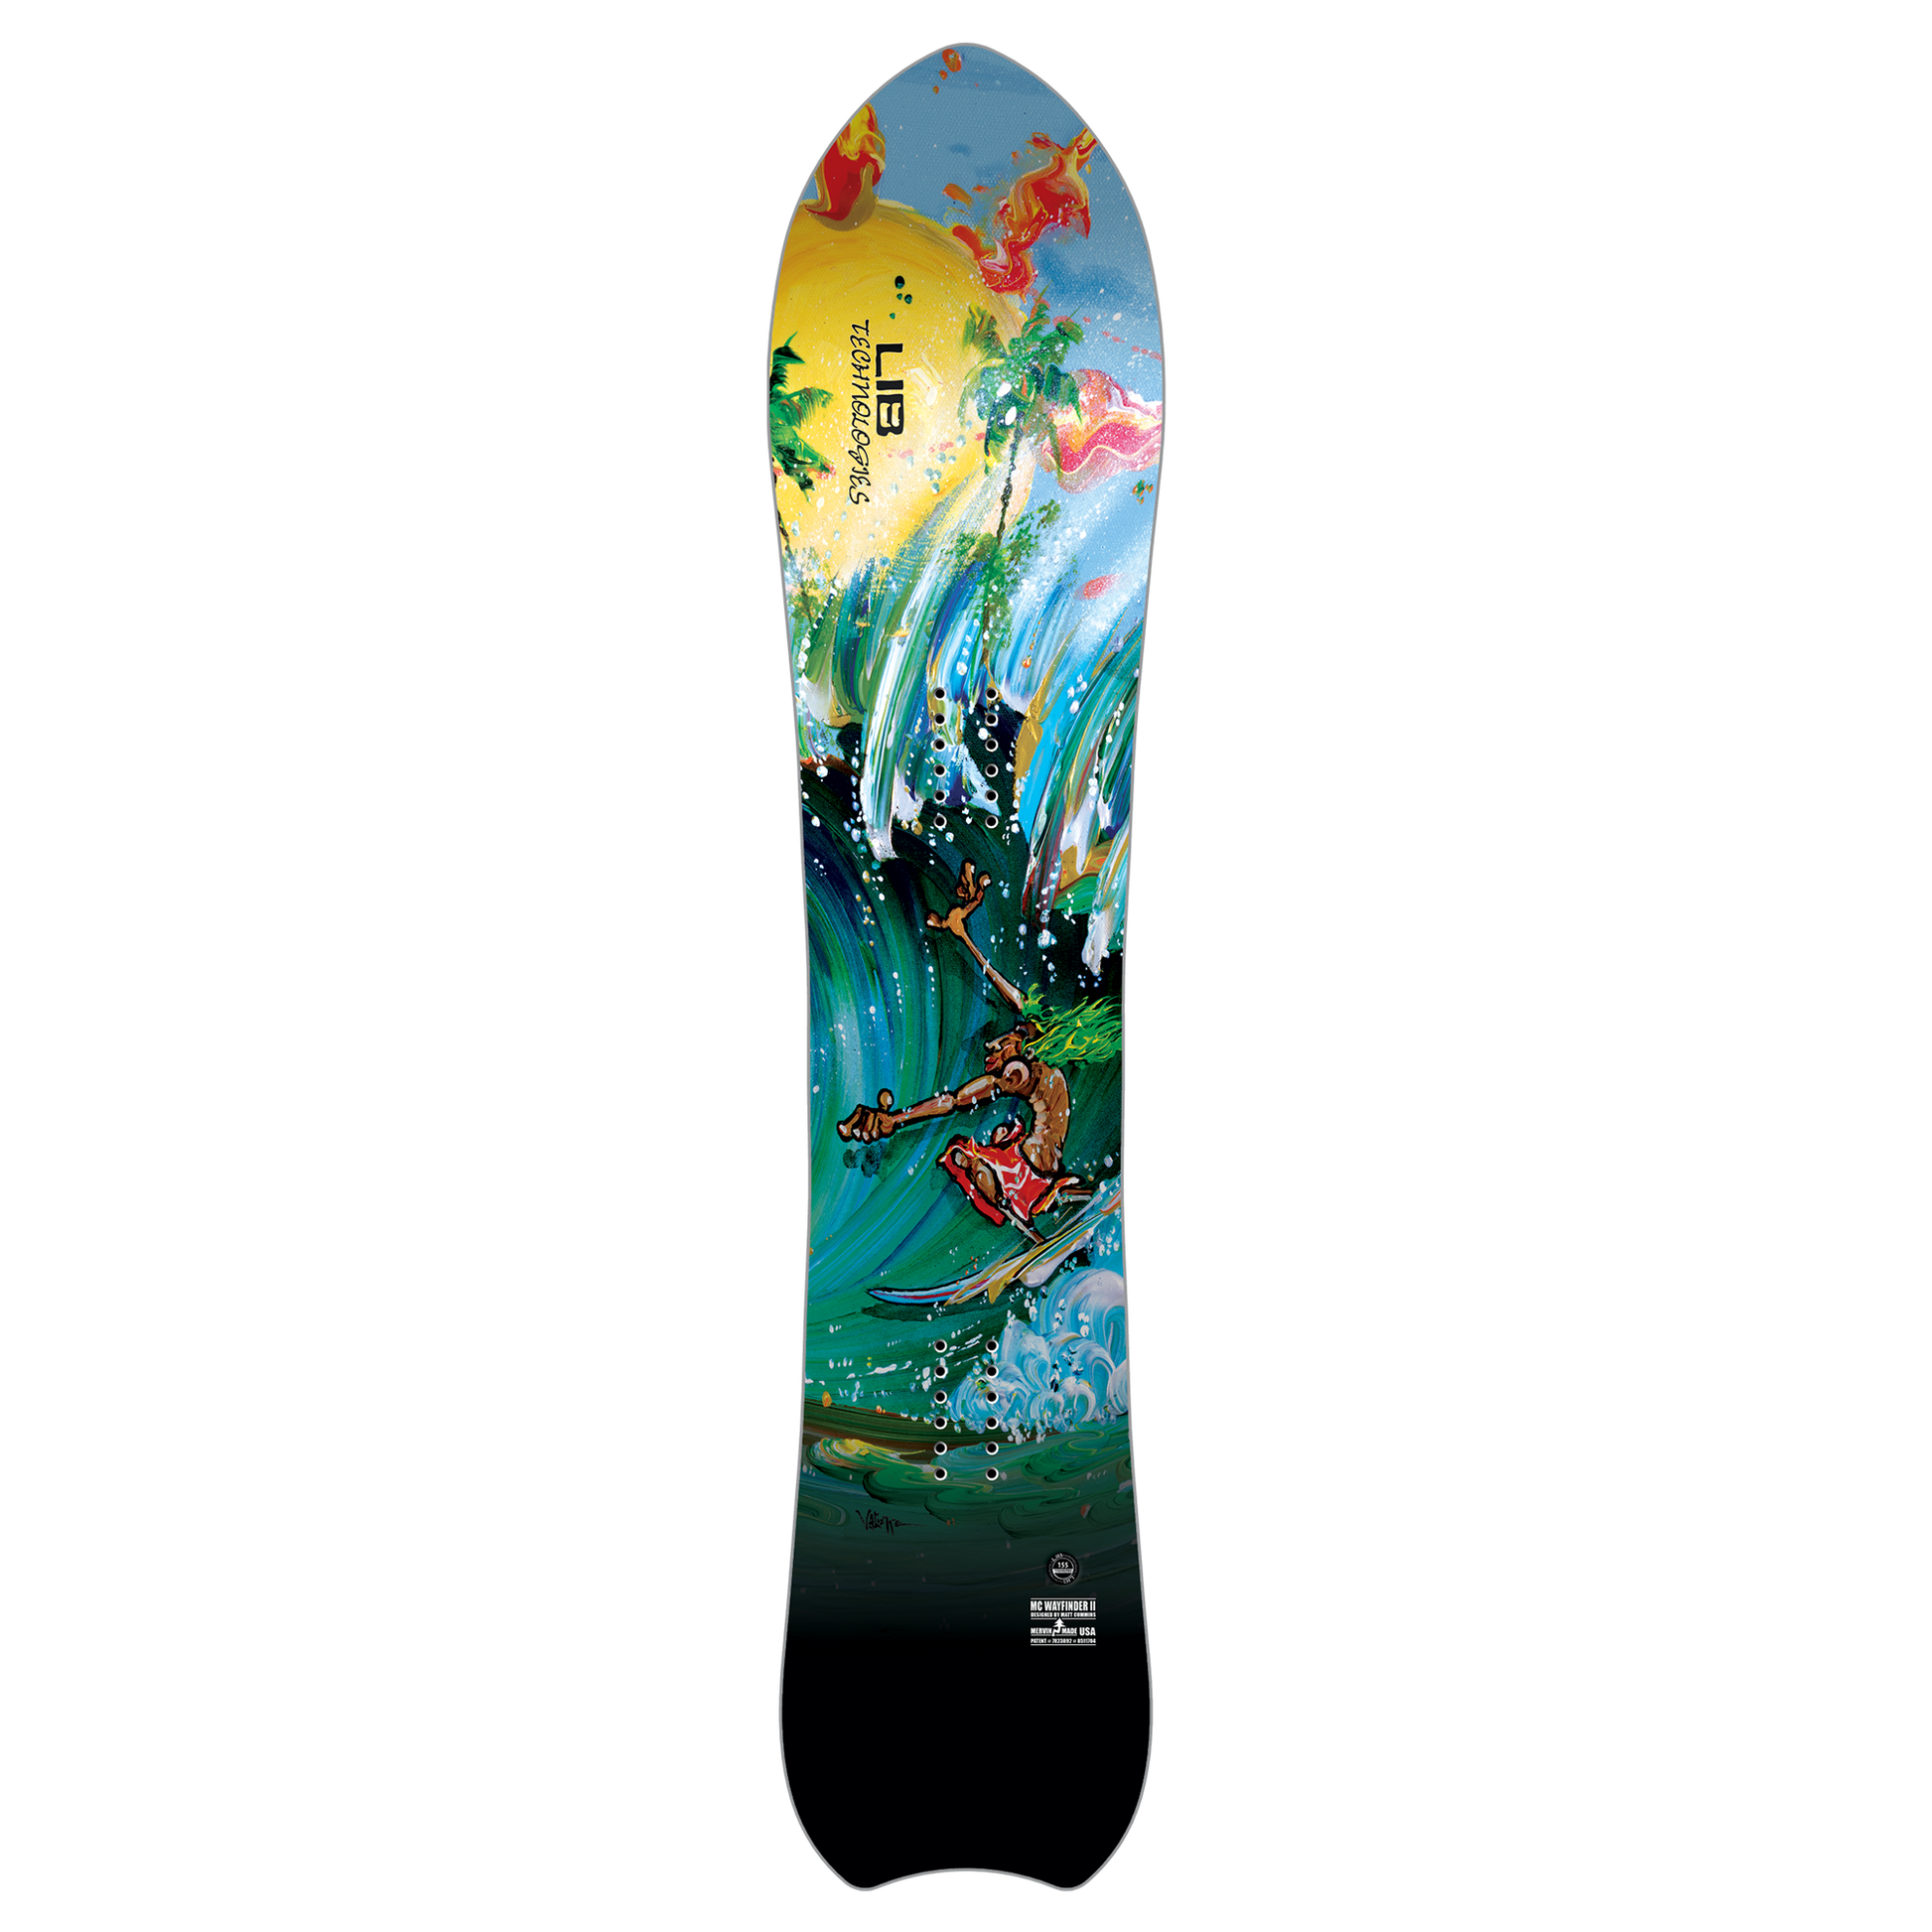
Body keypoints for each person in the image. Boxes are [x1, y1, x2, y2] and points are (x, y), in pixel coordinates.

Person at [837, 862, 1092, 1244]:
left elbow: (954, 1101)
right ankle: (1031, 1199)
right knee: (980, 1149)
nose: (991, 1047)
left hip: (1035, 1160)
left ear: (1014, 1051)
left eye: (997, 1046)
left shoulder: (1016, 1071)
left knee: (961, 1155)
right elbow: (1010, 993)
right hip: (1038, 1156)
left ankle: (1015, 1205)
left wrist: (897, 1119)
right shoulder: (1030, 1041)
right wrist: (965, 938)